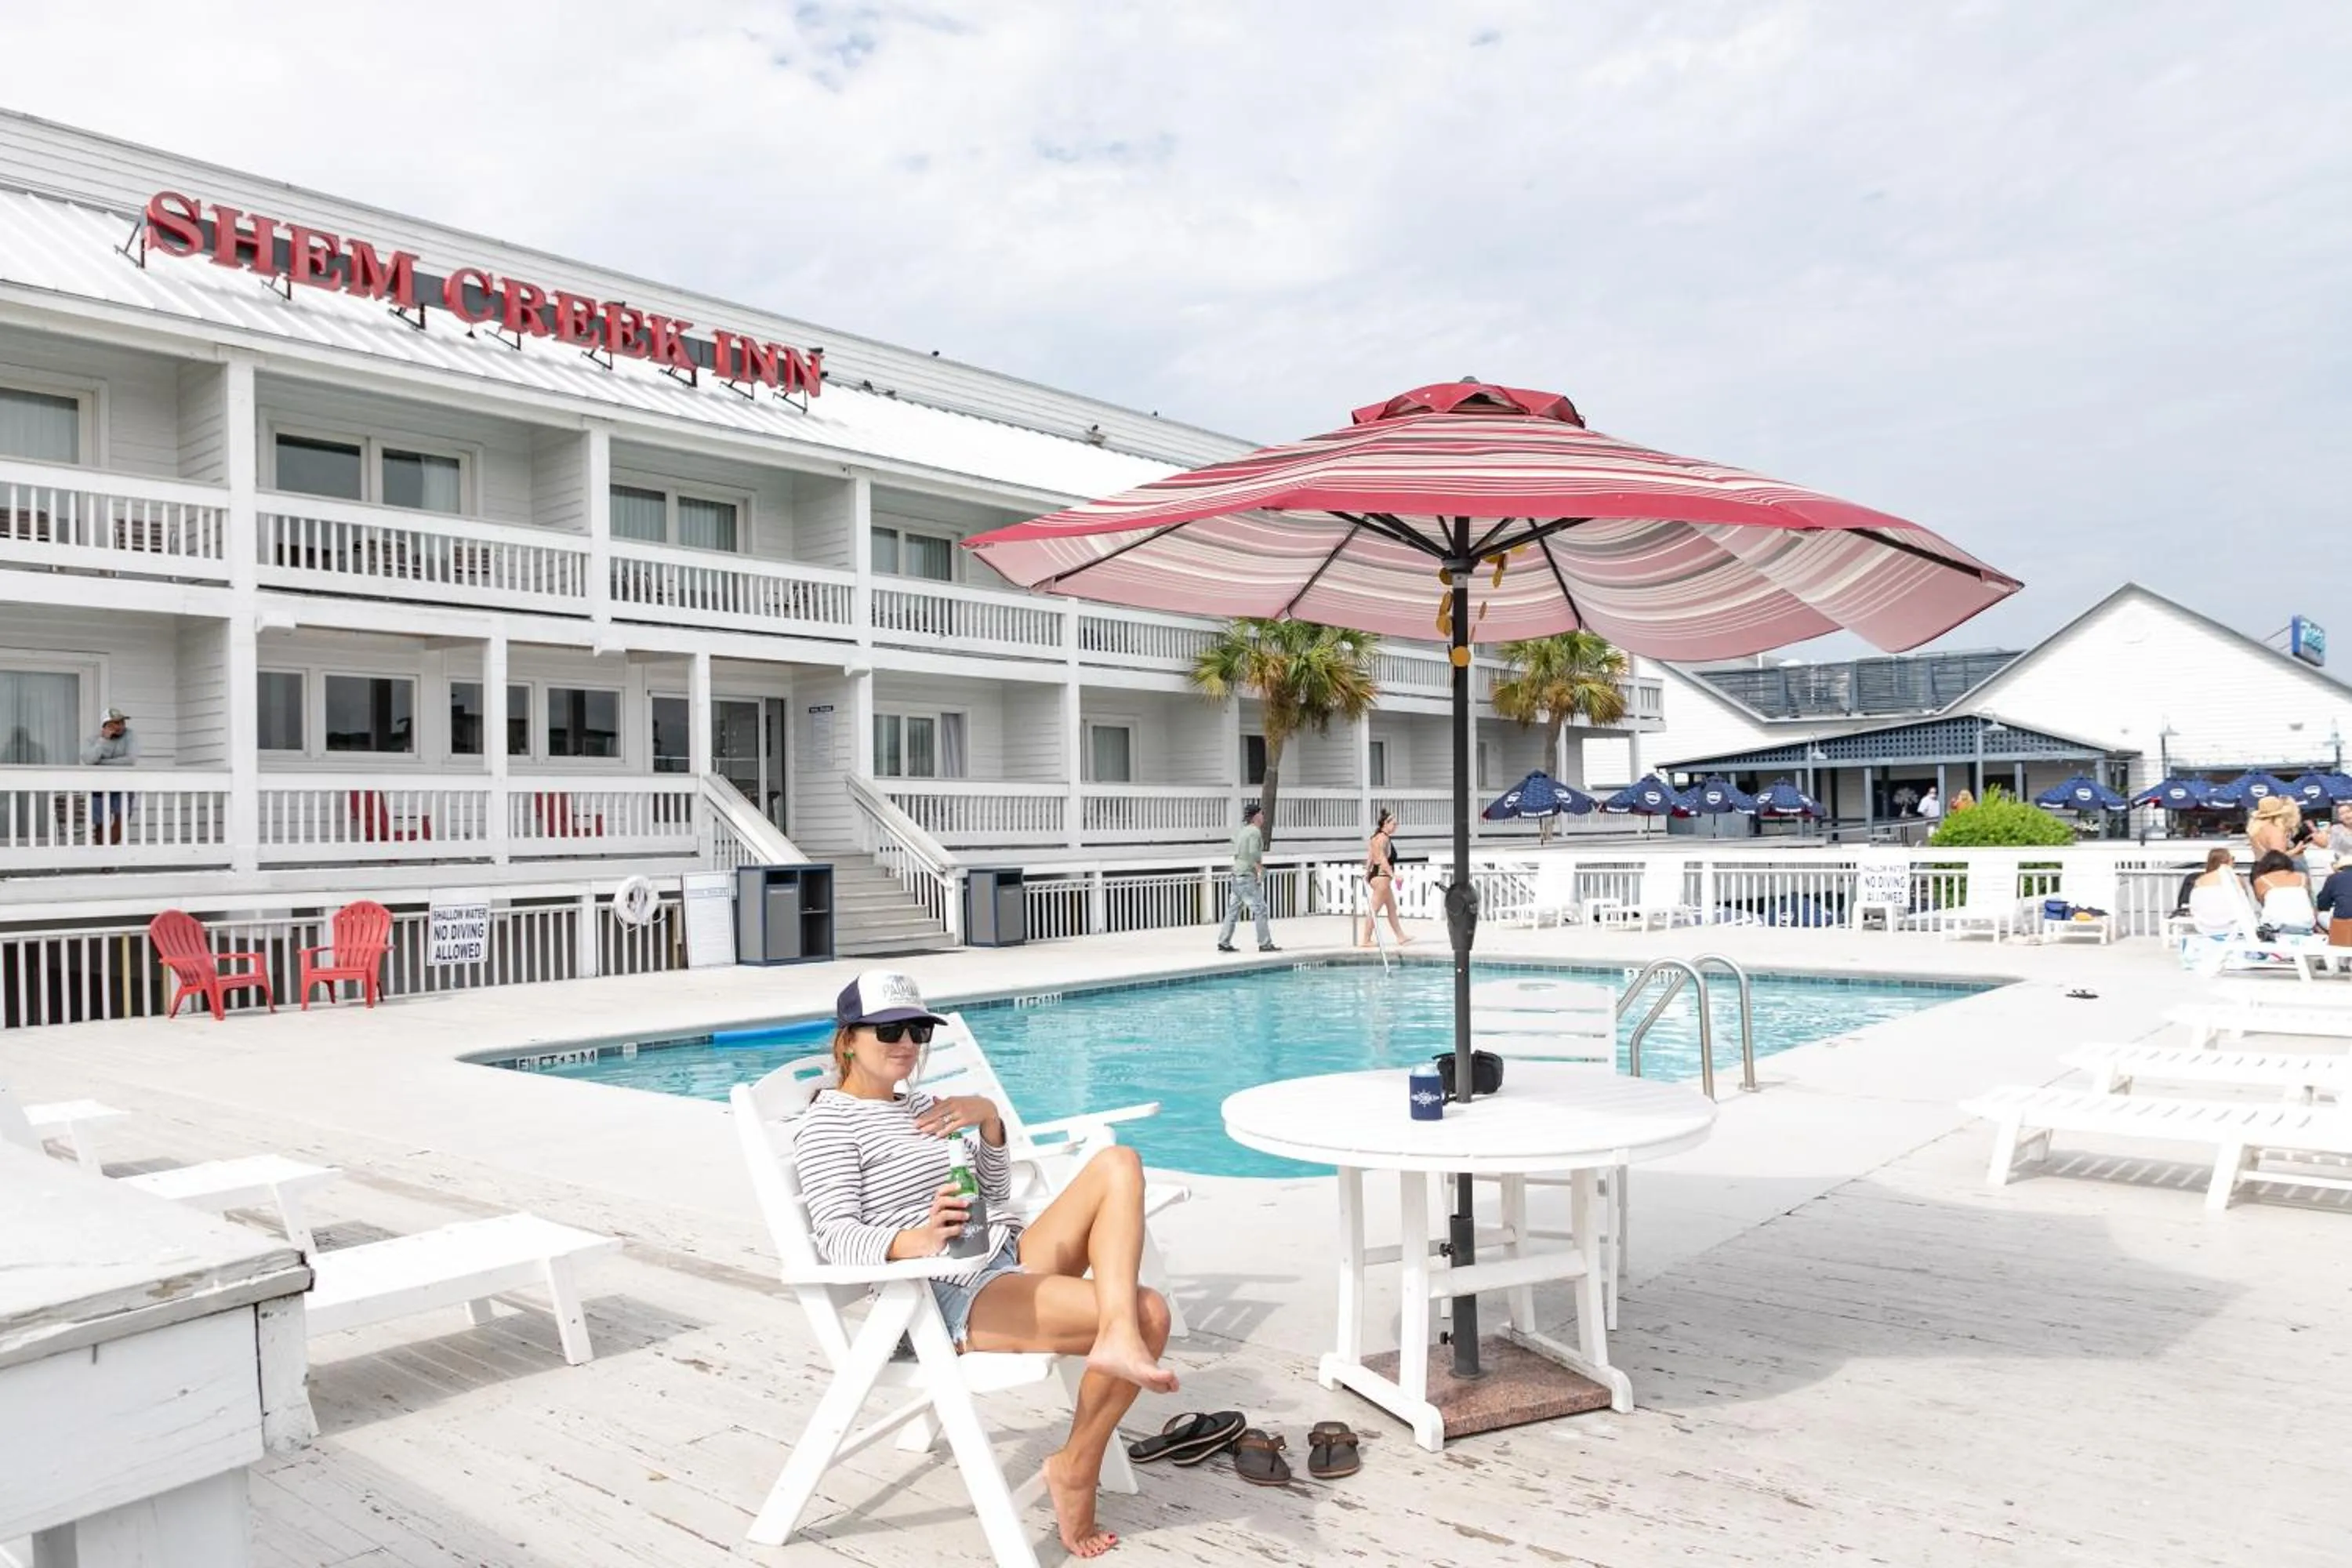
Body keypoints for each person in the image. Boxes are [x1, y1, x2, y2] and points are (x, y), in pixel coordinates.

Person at [793, 972, 1174, 1559]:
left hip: (1000, 1253)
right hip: (946, 1293)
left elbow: (993, 1195)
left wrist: (989, 1121)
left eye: (917, 1030)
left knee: (1118, 1162)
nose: (906, 1044)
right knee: (1150, 1315)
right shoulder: (830, 1123)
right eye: (889, 1031)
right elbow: (837, 1238)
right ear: (848, 1040)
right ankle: (1078, 1466)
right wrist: (919, 1239)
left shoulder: (922, 1105)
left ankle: (1107, 1361)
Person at [1214, 803, 1276, 954]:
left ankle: (1223, 942)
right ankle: (1265, 943)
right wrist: (1260, 870)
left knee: (1233, 910)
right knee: (1260, 909)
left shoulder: (1242, 831)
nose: (1263, 816)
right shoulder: (1255, 832)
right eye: (1261, 813)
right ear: (1256, 816)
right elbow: (1254, 853)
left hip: (1236, 875)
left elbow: (1236, 850)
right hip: (1247, 876)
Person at [78, 707, 138, 846]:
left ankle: (108, 851)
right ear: (105, 725)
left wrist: (101, 763)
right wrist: (103, 741)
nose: (120, 726)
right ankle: (103, 855)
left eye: (122, 722)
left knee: (121, 820)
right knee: (100, 823)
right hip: (99, 785)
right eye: (116, 723)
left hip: (123, 785)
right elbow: (88, 760)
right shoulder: (93, 740)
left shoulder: (129, 735)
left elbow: (130, 760)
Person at [1356, 808, 1411, 949]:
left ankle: (1401, 937)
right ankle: (1365, 940)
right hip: (1382, 878)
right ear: (1385, 824)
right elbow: (1382, 859)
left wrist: (1367, 873)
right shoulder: (1384, 839)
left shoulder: (1375, 837)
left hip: (1377, 876)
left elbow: (1370, 857)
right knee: (1374, 909)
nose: (1396, 826)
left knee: (1392, 907)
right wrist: (1394, 876)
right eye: (1394, 824)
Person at [2252, 849, 2317, 935]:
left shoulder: (2261, 880)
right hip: (2306, 923)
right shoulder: (2303, 877)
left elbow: (2262, 902)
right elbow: (2309, 901)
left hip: (2274, 925)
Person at [2248, 794, 2299, 859]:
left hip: (2259, 863)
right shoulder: (2274, 830)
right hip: (2275, 865)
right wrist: (2296, 850)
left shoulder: (2255, 829)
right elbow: (2278, 857)